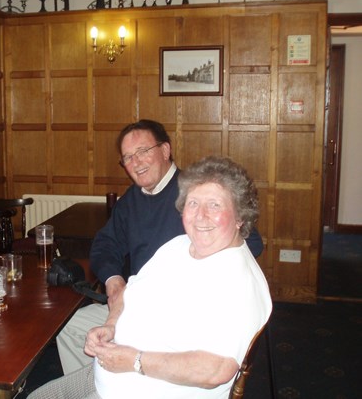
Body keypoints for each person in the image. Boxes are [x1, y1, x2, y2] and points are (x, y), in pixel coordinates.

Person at [29, 156, 272, 399]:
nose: (200, 215)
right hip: (107, 375)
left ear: (240, 217)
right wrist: (111, 325)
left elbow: (215, 370)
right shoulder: (180, 244)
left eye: (215, 205)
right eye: (193, 203)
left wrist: (135, 361)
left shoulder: (238, 281)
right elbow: (130, 291)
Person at [57, 119, 264, 374]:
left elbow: (250, 241)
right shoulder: (131, 200)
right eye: (128, 157)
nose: (137, 162)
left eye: (143, 151)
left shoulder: (196, 191)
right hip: (138, 301)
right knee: (69, 325)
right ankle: (99, 375)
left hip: (177, 313)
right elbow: (105, 243)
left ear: (165, 150)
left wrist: (195, 280)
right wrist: (113, 281)